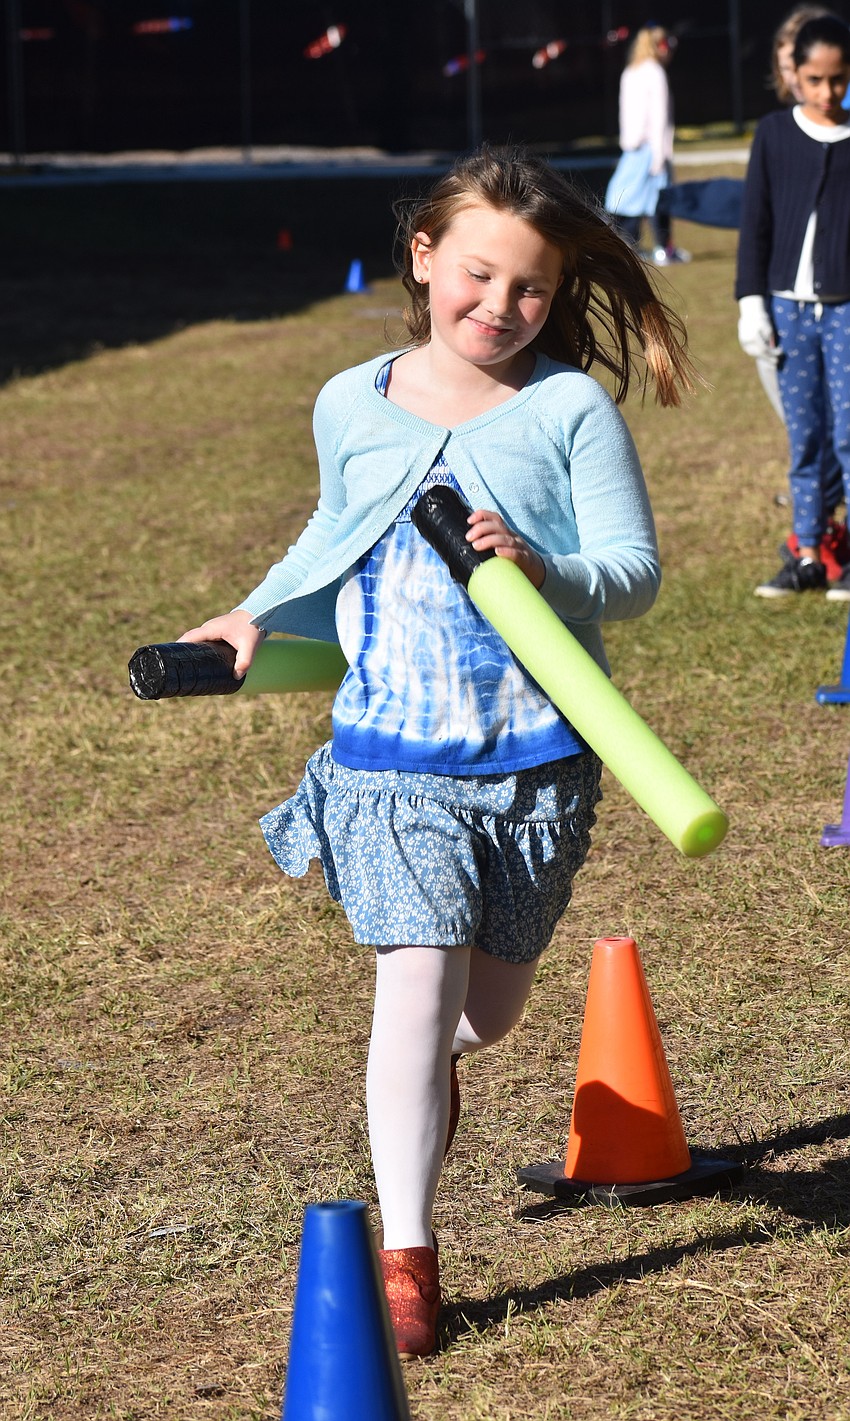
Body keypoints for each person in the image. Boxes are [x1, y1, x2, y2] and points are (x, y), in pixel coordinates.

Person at [176, 145, 695, 1359]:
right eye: (475, 276)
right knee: (414, 982)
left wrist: (540, 564)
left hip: (530, 765)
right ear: (422, 257)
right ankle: (409, 1253)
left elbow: (633, 575)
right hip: (389, 760)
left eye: (530, 289)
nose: (499, 308)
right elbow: (331, 533)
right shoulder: (350, 400)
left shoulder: (567, 407)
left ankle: (428, 1068)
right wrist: (253, 613)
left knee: (485, 1012)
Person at [736, 13, 850, 599]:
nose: (827, 92)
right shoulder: (775, 135)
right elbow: (755, 223)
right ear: (795, 77)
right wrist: (751, 303)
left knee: (848, 434)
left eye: (838, 79)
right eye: (815, 79)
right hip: (788, 311)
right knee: (803, 437)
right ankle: (807, 553)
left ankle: (846, 553)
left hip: (844, 312)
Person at [605, 24, 690, 265]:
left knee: (628, 198)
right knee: (654, 198)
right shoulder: (654, 72)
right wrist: (661, 152)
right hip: (649, 148)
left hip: (633, 147)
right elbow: (660, 116)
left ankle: (633, 247)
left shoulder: (630, 71)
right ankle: (662, 248)